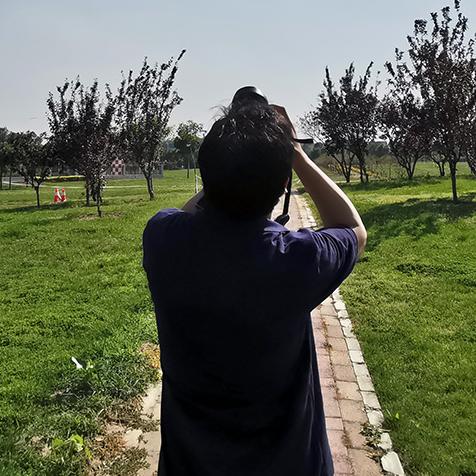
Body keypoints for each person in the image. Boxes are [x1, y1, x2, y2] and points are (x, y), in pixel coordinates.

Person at [142, 87, 367, 475]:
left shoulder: (163, 239)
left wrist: (230, 163)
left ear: (205, 175)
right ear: (284, 187)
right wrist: (293, 151)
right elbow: (352, 228)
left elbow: (187, 213)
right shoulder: (298, 260)